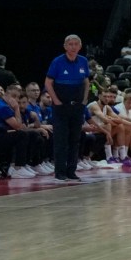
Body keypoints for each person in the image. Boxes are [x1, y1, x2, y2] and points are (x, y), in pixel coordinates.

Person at [44, 35, 90, 181]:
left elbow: (86, 81)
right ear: (65, 46)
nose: (73, 47)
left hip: (77, 106)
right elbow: (48, 82)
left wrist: (84, 100)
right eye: (70, 44)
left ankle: (72, 171)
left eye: (76, 44)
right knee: (61, 140)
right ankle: (60, 172)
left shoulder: (83, 61)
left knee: (75, 139)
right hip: (61, 106)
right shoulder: (57, 61)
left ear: (80, 46)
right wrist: (56, 101)